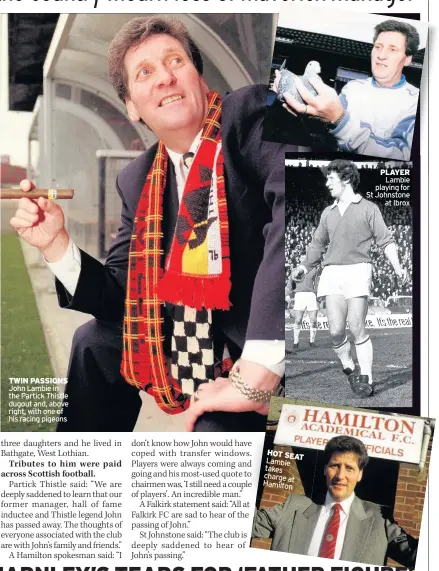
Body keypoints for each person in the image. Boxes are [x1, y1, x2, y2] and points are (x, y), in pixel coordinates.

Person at [10, 16, 290, 432]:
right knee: (93, 341)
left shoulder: (248, 115)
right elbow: (123, 295)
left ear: (198, 77)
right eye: (145, 72)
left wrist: (262, 362)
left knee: (212, 429)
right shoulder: (138, 177)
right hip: (186, 342)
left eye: (175, 61)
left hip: (261, 341)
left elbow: (298, 206)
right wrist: (56, 245)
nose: (165, 79)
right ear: (131, 106)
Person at [291, 160, 407, 397]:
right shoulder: (327, 213)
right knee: (335, 331)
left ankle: (366, 376)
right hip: (332, 272)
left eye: (331, 178)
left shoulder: (368, 208)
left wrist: (397, 267)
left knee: (356, 325)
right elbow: (317, 245)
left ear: (345, 180)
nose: (327, 183)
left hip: (358, 270)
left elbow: (386, 240)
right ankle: (349, 367)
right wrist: (304, 267)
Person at [252, 436, 417, 567]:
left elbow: (418, 556)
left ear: (360, 474)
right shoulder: (293, 507)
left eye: (349, 468)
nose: (340, 476)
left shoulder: (380, 520)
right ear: (325, 469)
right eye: (334, 466)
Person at [276, 19, 420, 160]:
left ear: (407, 59)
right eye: (378, 46)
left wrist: (339, 120)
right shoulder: (353, 87)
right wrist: (300, 103)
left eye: (392, 49)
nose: (381, 56)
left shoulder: (416, 101)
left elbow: (402, 156)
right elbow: (323, 128)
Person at [285, 255, 318, 349]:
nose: (304, 260)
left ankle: (312, 341)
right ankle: (296, 342)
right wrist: (287, 294)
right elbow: (289, 285)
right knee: (298, 320)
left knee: (314, 320)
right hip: (299, 295)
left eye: (306, 258)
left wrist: (317, 294)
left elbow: (316, 284)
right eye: (302, 258)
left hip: (311, 295)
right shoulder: (294, 271)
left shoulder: (313, 270)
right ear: (299, 259)